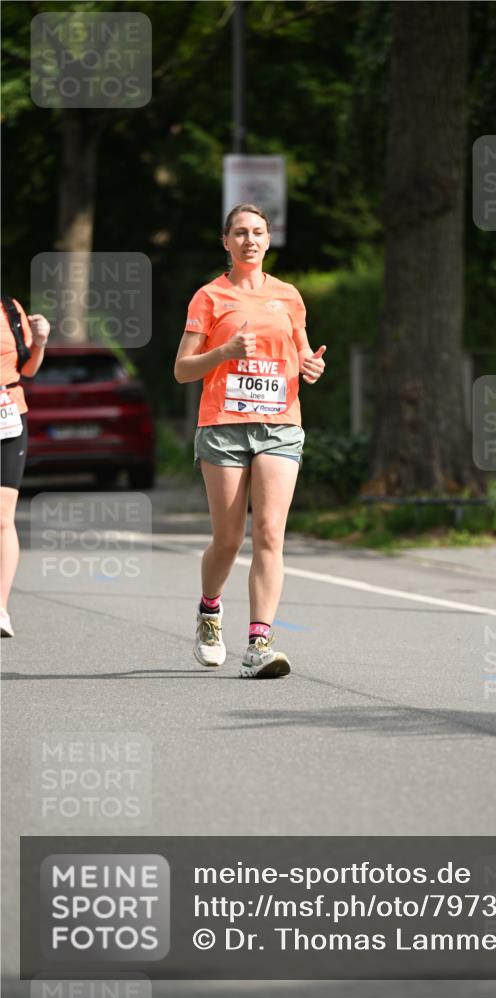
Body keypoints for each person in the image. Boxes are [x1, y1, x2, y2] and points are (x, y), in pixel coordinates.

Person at [174, 204, 326, 678]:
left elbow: (302, 355)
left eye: (258, 232)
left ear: (267, 239)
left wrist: (312, 366)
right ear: (226, 241)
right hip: (222, 424)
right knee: (228, 539)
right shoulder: (209, 297)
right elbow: (182, 370)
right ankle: (209, 610)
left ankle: (259, 642)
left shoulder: (289, 296)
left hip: (280, 423)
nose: (250, 240)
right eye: (240, 233)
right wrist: (223, 351)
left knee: (269, 533)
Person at [1, 295, 51, 637]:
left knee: (3, 517)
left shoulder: (10, 308)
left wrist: (42, 340)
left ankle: (0, 609)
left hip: (8, 415)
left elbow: (28, 369)